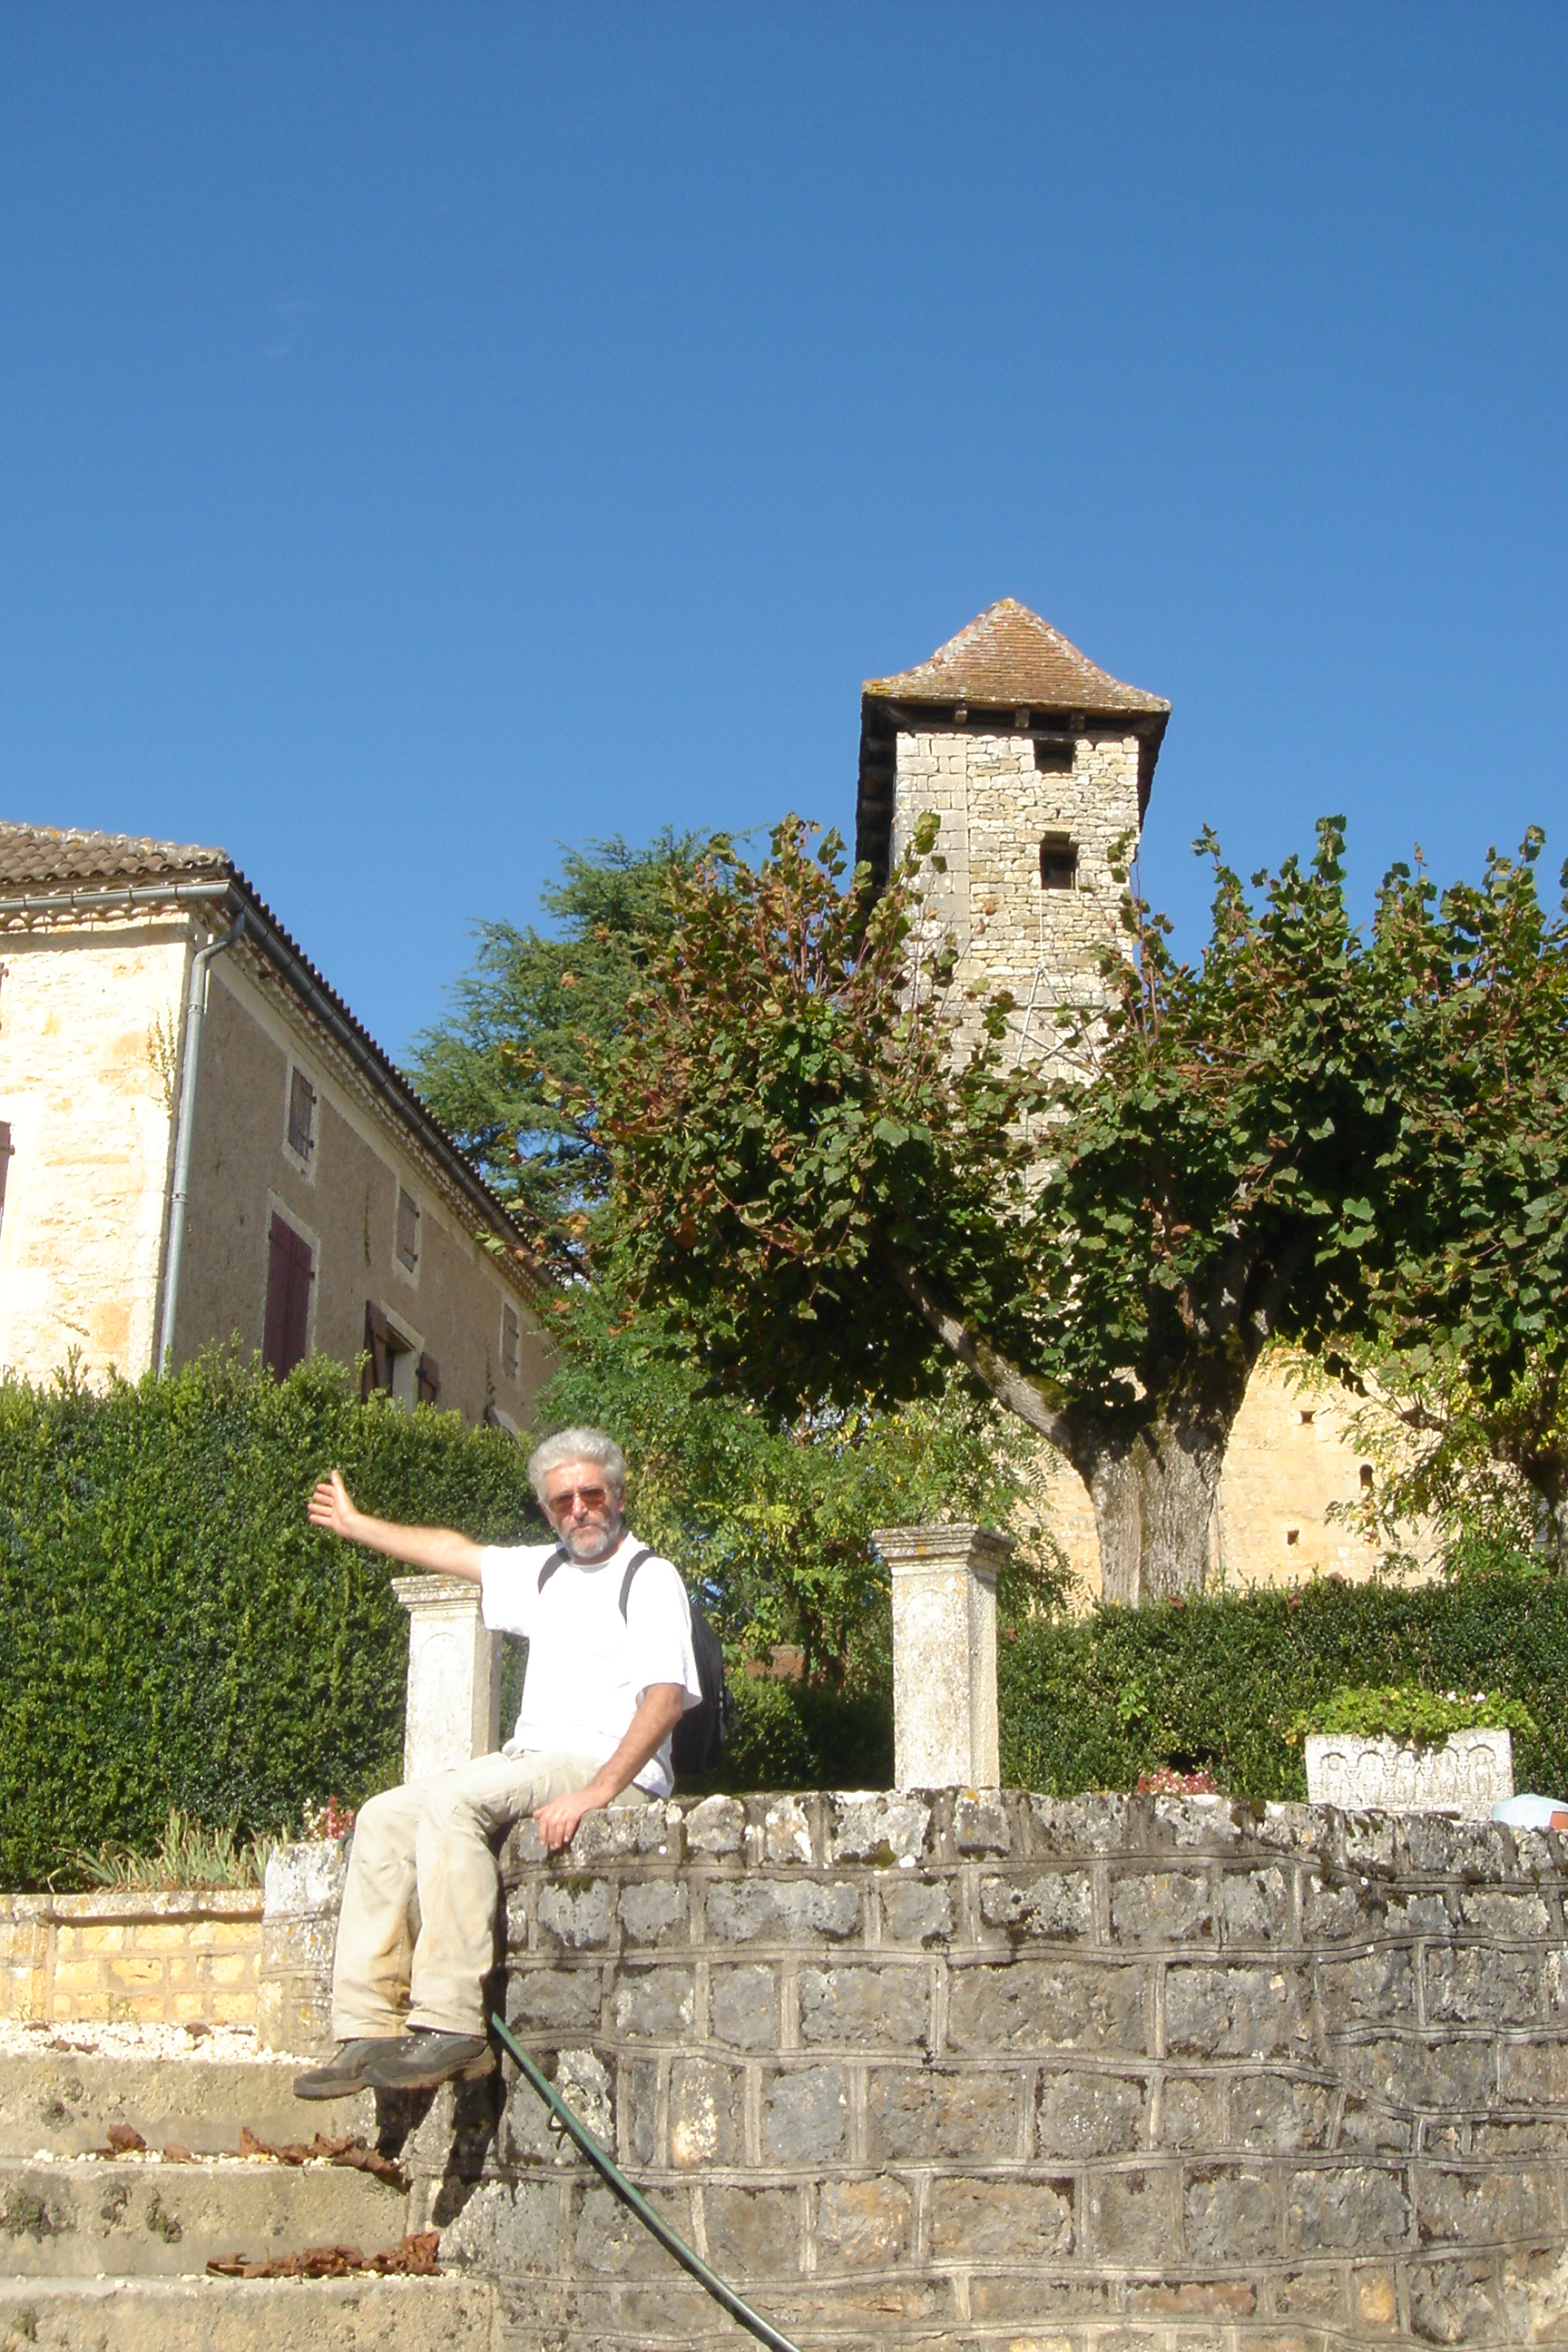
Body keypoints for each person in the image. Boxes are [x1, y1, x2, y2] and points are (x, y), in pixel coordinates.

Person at [292, 1426, 701, 2099]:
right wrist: (357, 1524)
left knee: (455, 1803)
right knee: (384, 1817)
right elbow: (453, 1551)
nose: (579, 1509)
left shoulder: (650, 1577)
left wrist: (596, 1793)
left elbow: (664, 1701)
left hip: (605, 1764)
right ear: (547, 1510)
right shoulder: (545, 1571)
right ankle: (369, 2028)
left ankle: (452, 2025)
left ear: (619, 1496)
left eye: (592, 1494)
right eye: (563, 1500)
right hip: (534, 1760)